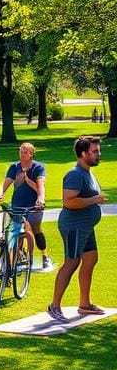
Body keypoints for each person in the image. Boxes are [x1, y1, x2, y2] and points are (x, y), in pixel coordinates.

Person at [47, 136, 106, 322]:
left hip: (86, 226)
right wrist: (94, 200)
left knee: (91, 258)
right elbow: (69, 202)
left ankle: (84, 304)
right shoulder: (75, 174)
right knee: (71, 263)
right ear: (83, 153)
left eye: (98, 151)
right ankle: (54, 306)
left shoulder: (87, 172)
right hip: (74, 227)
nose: (98, 154)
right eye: (95, 151)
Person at [0, 142, 52, 270]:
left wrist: (40, 199)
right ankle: (17, 256)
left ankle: (44, 256)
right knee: (15, 230)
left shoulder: (38, 167)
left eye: (25, 152)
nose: (22, 154)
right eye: (21, 151)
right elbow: (5, 183)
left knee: (34, 229)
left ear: (31, 154)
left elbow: (40, 187)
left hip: (34, 206)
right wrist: (1, 193)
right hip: (18, 204)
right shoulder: (14, 167)